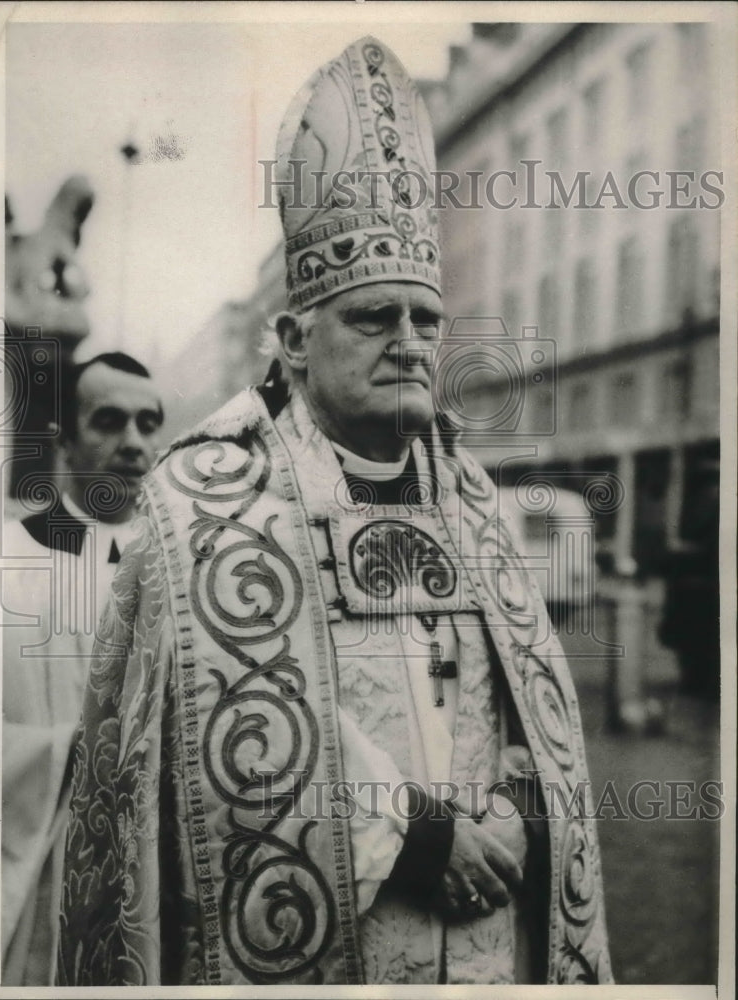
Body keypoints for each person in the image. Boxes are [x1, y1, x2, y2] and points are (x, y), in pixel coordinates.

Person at [57, 38, 612, 985]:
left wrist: (522, 813)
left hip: (488, 943)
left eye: (425, 320)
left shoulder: (476, 504)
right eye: (372, 318)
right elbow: (208, 741)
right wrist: (421, 837)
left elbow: (530, 721)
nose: (409, 342)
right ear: (292, 338)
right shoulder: (202, 508)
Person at [1, 352, 164, 985]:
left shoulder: (187, 572)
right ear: (63, 439)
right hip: (44, 868)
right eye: (110, 421)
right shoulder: (6, 562)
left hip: (160, 871)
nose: (135, 443)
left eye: (149, 423)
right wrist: (68, 752)